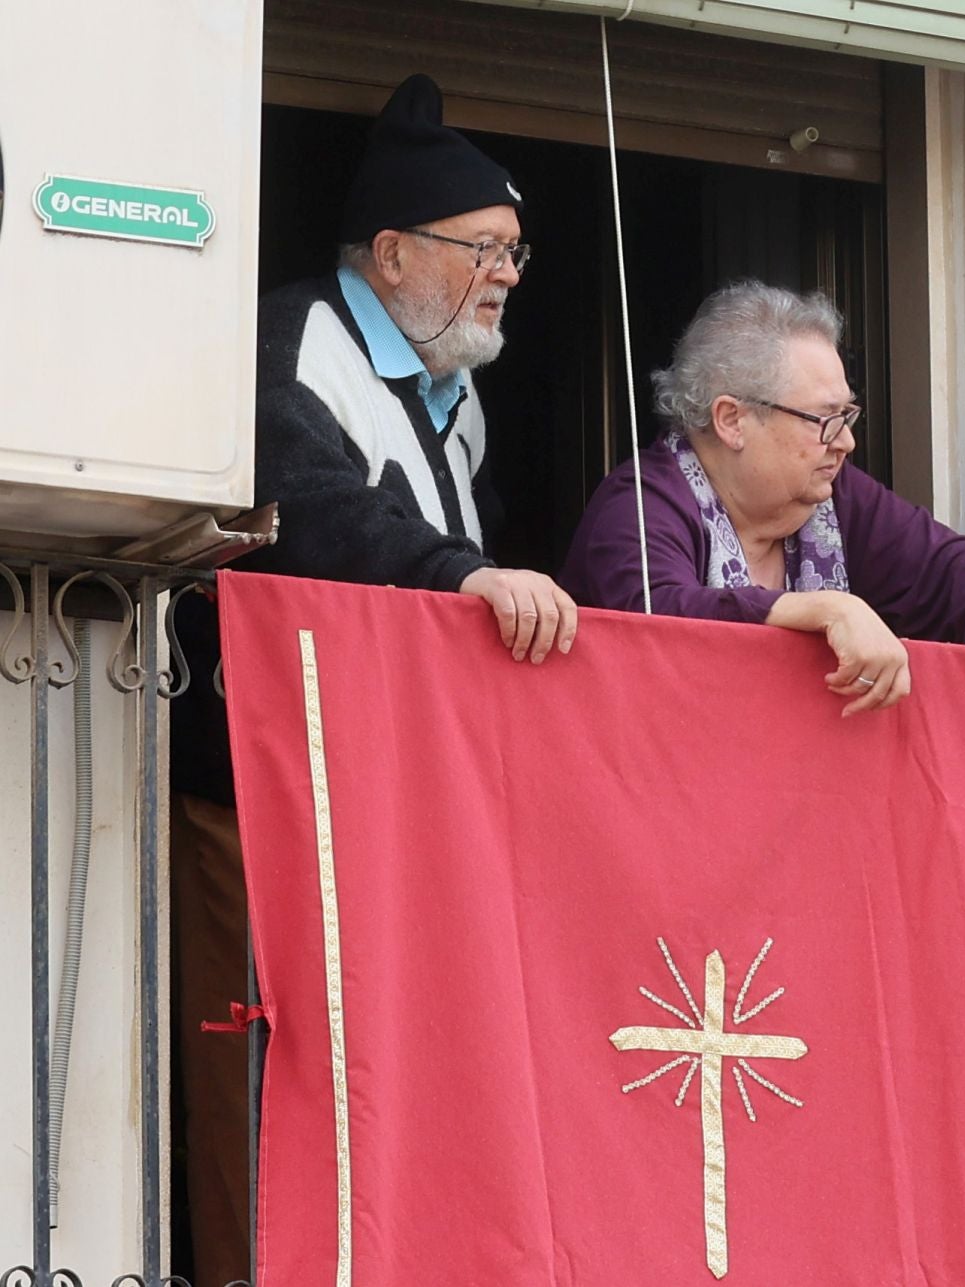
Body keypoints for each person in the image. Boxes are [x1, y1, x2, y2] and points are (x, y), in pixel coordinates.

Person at [168, 73, 578, 1284]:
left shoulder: (460, 400)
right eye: (485, 249)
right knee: (259, 1076)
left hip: (392, 810)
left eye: (517, 251)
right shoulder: (299, 337)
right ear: (392, 253)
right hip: (260, 802)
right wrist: (461, 577)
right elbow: (306, 512)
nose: (508, 272)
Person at [561, 280, 965, 713]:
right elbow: (656, 618)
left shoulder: (833, 496)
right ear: (732, 420)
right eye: (824, 420)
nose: (846, 442)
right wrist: (825, 610)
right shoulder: (640, 504)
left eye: (847, 416)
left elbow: (948, 564)